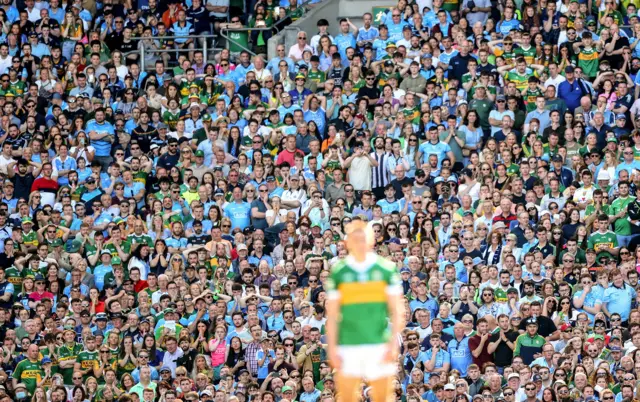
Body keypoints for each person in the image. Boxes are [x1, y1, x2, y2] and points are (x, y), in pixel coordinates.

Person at [325, 221, 403, 402]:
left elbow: (397, 311)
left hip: (379, 344)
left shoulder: (386, 269)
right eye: (355, 238)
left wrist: (392, 345)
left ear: (372, 240)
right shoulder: (339, 271)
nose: (360, 243)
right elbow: (333, 315)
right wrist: (333, 348)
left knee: (383, 397)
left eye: (363, 238)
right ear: (348, 242)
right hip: (348, 344)